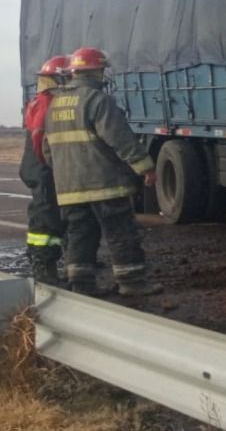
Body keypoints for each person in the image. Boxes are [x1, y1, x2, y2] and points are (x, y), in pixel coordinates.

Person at [42, 47, 160, 296]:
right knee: (120, 232)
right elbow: (119, 138)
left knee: (80, 234)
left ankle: (81, 285)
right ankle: (132, 283)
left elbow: (47, 149)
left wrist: (65, 174)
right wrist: (145, 167)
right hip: (104, 183)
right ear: (95, 72)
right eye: (101, 70)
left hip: (70, 188)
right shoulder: (98, 100)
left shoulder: (55, 104)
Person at [19, 56, 70, 284]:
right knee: (46, 216)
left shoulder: (40, 100)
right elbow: (39, 136)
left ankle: (47, 261)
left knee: (51, 213)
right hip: (43, 168)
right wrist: (51, 164)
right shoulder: (48, 102)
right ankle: (43, 264)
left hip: (40, 167)